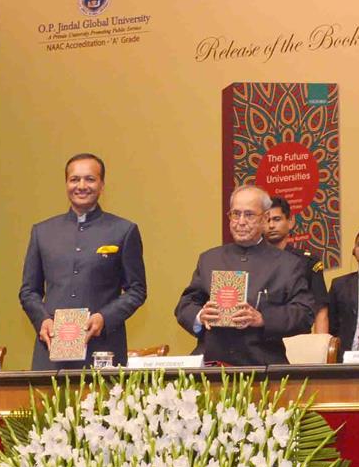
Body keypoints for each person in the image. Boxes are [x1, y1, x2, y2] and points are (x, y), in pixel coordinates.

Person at [20, 153, 147, 369]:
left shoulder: (123, 231)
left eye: (90, 179)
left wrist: (103, 318)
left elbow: (137, 290)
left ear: (102, 185)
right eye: (74, 179)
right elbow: (28, 291)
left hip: (103, 347)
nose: (81, 185)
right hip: (51, 348)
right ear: (66, 184)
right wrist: (43, 320)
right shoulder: (42, 232)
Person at [175, 185, 316, 365]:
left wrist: (262, 318)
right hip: (211, 363)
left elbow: (304, 314)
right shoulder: (209, 259)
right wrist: (200, 315)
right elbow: (185, 305)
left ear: (265, 219)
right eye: (235, 214)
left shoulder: (288, 264)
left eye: (249, 215)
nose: (240, 222)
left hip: (262, 365)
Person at [263, 196, 329, 333]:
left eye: (277, 219)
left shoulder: (307, 262)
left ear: (290, 221)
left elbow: (320, 310)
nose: (271, 226)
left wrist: (321, 349)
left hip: (297, 339)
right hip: (262, 338)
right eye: (266, 220)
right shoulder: (253, 261)